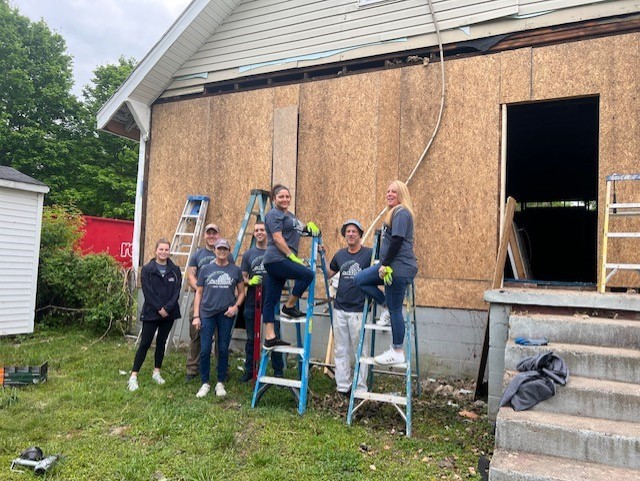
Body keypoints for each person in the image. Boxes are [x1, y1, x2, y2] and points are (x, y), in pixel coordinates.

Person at [354, 180, 418, 365]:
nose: (389, 194)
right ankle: (385, 305)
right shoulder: (394, 213)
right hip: (389, 266)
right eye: (388, 191)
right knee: (360, 279)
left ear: (401, 195)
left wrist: (386, 264)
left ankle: (397, 351)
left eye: (394, 192)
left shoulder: (401, 212)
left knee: (396, 309)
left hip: (397, 268)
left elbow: (397, 240)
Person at [262, 184, 319, 348]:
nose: (285, 199)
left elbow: (302, 229)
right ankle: (289, 306)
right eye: (281, 196)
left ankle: (270, 337)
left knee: (271, 299)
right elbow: (277, 238)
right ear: (274, 199)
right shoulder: (273, 214)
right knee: (307, 274)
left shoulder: (290, 216)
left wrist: (310, 226)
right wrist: (291, 256)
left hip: (280, 261)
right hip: (276, 259)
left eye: (287, 196)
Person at [322, 219, 373, 396]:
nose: (350, 234)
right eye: (348, 232)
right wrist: (323, 256)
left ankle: (360, 388)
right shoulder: (340, 255)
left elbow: (378, 272)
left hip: (359, 310)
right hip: (340, 308)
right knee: (341, 349)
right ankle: (343, 386)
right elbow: (329, 273)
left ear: (360, 235)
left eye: (354, 231)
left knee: (361, 350)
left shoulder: (369, 254)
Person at [192, 238, 244, 398]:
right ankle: (205, 382)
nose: (222, 251)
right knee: (205, 348)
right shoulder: (206, 269)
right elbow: (199, 293)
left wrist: (235, 307)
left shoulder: (235, 270)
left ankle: (220, 382)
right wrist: (196, 316)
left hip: (225, 314)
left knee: (222, 348)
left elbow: (241, 292)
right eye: (219, 248)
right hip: (207, 313)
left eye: (224, 249)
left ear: (229, 251)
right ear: (214, 250)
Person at [128, 238, 182, 391]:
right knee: (145, 343)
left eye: (166, 249)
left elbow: (177, 291)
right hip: (152, 312)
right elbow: (147, 291)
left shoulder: (175, 270)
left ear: (169, 251)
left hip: (169, 314)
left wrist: (167, 308)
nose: (163, 252)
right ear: (156, 250)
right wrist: (159, 308)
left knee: (161, 342)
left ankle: (156, 372)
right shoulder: (147, 269)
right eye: (161, 249)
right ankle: (133, 376)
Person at [185, 223, 235, 381]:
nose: (212, 236)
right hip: (201, 300)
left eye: (215, 233)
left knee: (222, 337)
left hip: (222, 302)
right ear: (204, 235)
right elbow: (190, 276)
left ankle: (223, 369)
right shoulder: (197, 255)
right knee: (196, 335)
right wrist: (203, 289)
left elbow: (233, 276)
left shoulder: (227, 255)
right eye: (209, 233)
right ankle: (193, 368)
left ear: (219, 235)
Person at [240, 221, 283, 381]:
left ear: (267, 233)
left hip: (271, 302)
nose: (259, 232)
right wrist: (249, 281)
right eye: (257, 230)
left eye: (262, 230)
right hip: (252, 302)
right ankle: (249, 371)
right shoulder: (248, 255)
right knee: (251, 339)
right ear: (254, 234)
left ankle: (278, 371)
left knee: (274, 336)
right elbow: (242, 278)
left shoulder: (275, 252)